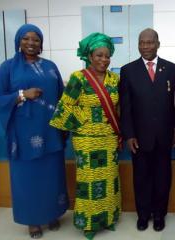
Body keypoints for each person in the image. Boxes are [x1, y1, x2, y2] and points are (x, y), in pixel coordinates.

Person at [0, 24, 69, 239]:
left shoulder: (51, 66)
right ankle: (33, 220)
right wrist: (22, 94)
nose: (31, 43)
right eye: (26, 39)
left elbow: (62, 98)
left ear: (41, 43)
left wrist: (64, 125)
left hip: (50, 131)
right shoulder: (8, 68)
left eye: (36, 39)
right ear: (18, 41)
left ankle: (52, 213)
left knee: (52, 176)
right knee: (27, 178)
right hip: (23, 135)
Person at [50, 32, 121, 240]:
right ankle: (89, 223)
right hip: (86, 139)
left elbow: (119, 108)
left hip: (108, 138)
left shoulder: (114, 79)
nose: (103, 60)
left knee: (109, 180)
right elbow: (64, 107)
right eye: (99, 55)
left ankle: (107, 218)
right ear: (89, 56)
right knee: (89, 182)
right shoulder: (78, 78)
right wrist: (87, 120)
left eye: (107, 56)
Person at [119, 28, 175, 232]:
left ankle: (160, 215)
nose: (145, 46)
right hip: (139, 137)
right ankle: (143, 215)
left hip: (164, 135)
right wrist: (129, 135)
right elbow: (125, 107)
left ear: (158, 44)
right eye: (142, 42)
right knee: (141, 177)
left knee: (163, 177)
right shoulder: (128, 70)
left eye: (150, 42)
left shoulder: (171, 69)